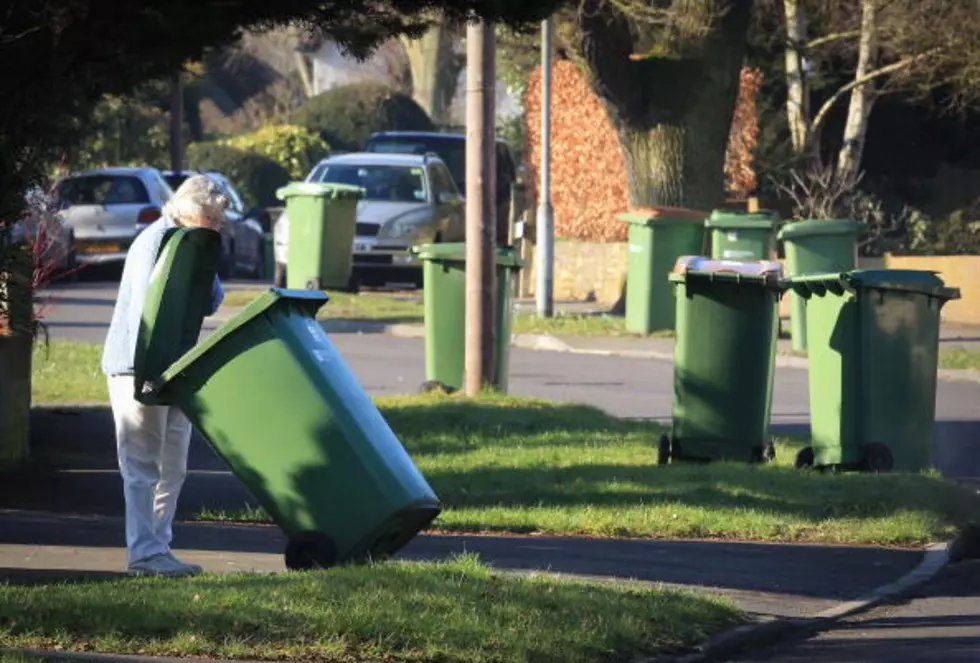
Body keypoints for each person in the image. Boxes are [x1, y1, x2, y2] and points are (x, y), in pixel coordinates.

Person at [101, 175, 227, 577]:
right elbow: (148, 309)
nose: (216, 227)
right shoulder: (158, 241)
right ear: (191, 211)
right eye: (212, 218)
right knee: (142, 464)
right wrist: (149, 373)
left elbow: (212, 299)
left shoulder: (189, 242)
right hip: (138, 365)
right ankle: (143, 554)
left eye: (219, 221)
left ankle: (160, 548)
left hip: (172, 367)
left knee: (172, 465)